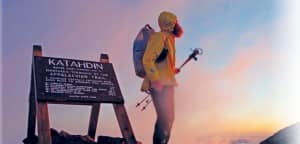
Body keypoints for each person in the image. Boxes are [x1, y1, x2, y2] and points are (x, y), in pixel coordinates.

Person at [141, 11, 183, 144]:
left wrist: (171, 70)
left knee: (169, 118)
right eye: (176, 21)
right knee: (165, 118)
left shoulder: (169, 39)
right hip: (160, 84)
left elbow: (161, 61)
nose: (178, 24)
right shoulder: (160, 37)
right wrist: (155, 79)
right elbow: (148, 59)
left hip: (167, 83)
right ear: (170, 23)